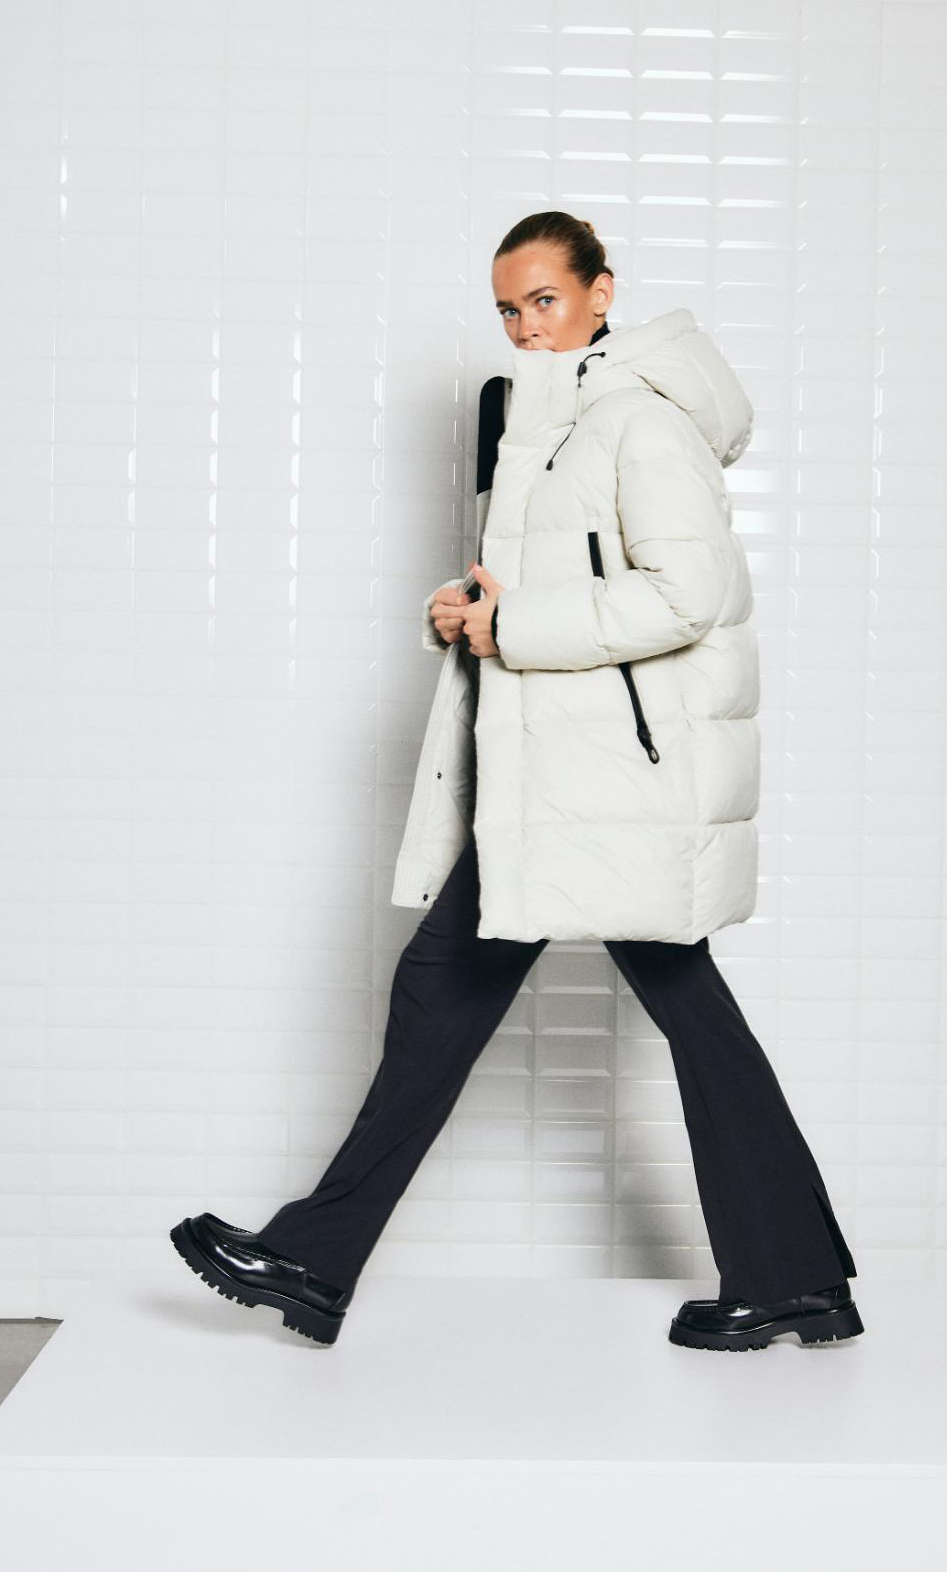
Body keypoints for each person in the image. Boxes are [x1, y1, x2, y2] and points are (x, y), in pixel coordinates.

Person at [171, 212, 863, 1353]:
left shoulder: (641, 419)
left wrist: (517, 625)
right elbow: (552, 587)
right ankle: (318, 1260)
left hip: (610, 787)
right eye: (506, 307)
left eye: (544, 299)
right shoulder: (545, 427)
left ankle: (789, 1276)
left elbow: (688, 596)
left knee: (649, 1010)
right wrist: (471, 608)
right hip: (553, 784)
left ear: (600, 293)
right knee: (460, 995)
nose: (524, 325)